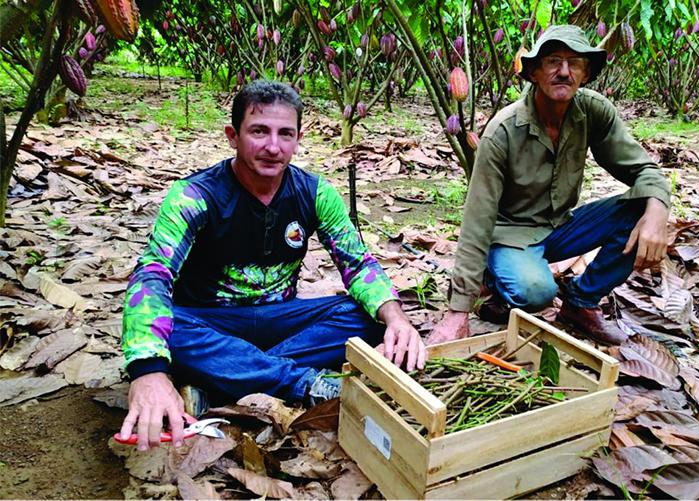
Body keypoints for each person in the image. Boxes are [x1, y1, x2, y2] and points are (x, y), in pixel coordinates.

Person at [118, 80, 426, 451]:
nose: (273, 147)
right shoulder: (194, 196)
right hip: (208, 322)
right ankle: (304, 383)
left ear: (298, 140)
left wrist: (397, 319)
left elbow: (357, 264)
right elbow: (152, 276)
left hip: (279, 320)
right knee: (169, 326)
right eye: (259, 131)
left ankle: (224, 377)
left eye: (285, 134)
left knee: (367, 315)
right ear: (233, 136)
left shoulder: (315, 193)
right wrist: (148, 371)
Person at [428, 25, 670, 347]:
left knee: (643, 205)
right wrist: (458, 309)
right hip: (511, 234)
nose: (564, 72)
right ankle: (493, 278)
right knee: (537, 292)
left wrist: (658, 211)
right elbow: (477, 219)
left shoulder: (593, 112)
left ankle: (581, 303)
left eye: (575, 63)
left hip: (560, 226)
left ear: (586, 74)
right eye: (553, 61)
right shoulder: (503, 131)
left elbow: (643, 170)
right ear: (534, 73)